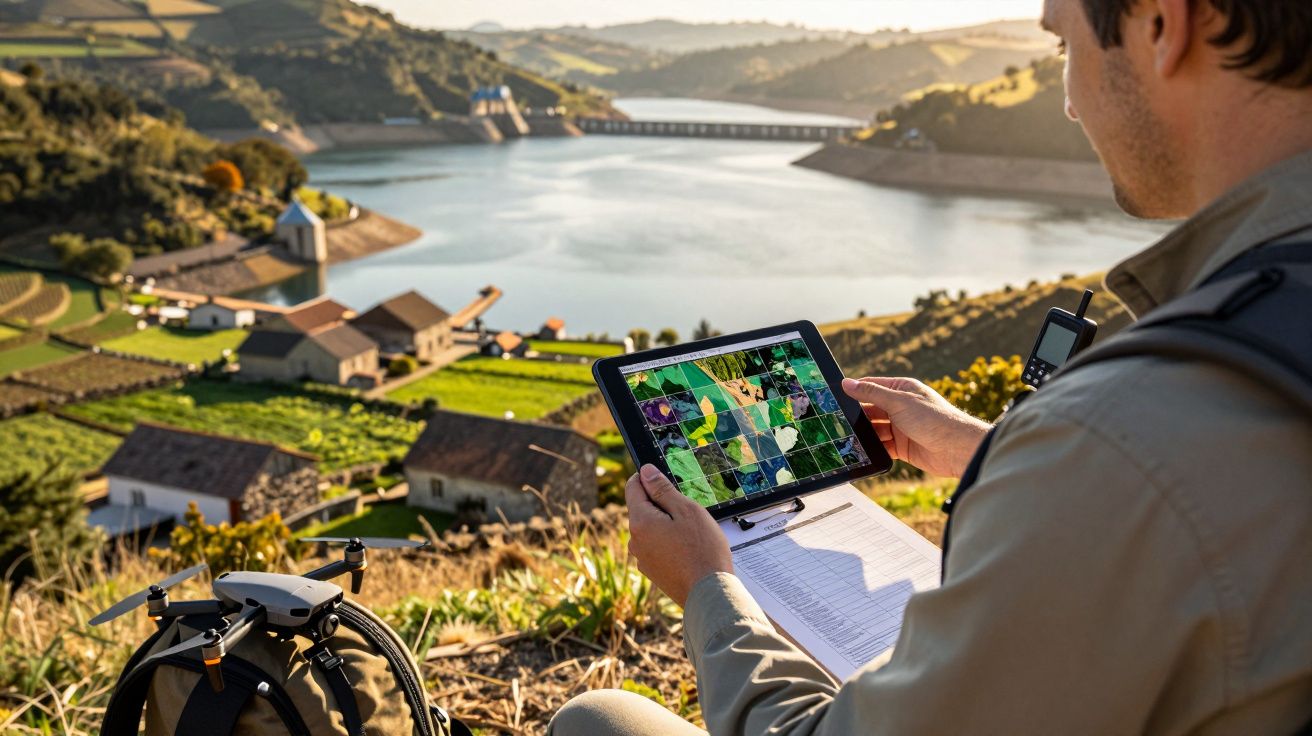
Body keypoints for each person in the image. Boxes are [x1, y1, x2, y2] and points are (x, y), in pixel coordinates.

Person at [550, 0, 1312, 732]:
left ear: (1161, 22)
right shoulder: (1197, 402)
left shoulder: (1126, 437)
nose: (1072, 103)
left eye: (1062, 47)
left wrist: (708, 590)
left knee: (596, 717)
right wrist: (999, 453)